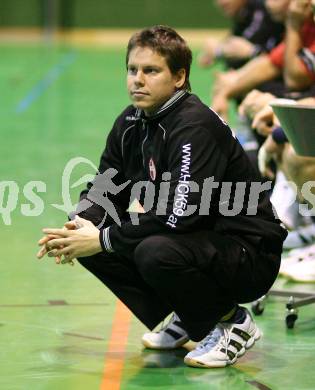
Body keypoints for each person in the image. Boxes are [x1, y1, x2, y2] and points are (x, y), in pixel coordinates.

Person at [37, 25, 287, 368]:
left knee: (149, 249)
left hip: (249, 251)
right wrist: (78, 227)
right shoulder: (130, 122)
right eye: (132, 70)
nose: (138, 80)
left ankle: (232, 322)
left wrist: (103, 237)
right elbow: (105, 188)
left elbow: (179, 215)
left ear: (179, 76)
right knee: (91, 237)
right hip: (199, 241)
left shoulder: (192, 126)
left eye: (151, 71)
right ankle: (192, 313)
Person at [212, 0, 315, 119]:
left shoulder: (296, 23)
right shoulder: (305, 25)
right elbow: (271, 63)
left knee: (264, 101)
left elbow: (295, 80)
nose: (268, 4)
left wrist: (293, 24)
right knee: (254, 93)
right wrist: (226, 92)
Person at [198, 0, 285, 69]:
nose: (222, 2)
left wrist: (218, 51)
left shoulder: (260, 8)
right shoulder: (243, 14)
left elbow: (241, 50)